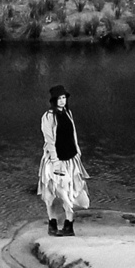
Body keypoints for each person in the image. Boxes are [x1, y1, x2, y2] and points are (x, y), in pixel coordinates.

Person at [38, 85, 89, 236]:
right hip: (55, 160)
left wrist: (77, 152)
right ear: (54, 100)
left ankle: (69, 225)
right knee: (51, 193)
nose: (62, 101)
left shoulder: (68, 113)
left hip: (70, 159)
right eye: (59, 98)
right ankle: (52, 223)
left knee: (70, 192)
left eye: (64, 98)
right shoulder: (48, 116)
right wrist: (55, 161)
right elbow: (49, 141)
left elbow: (73, 134)